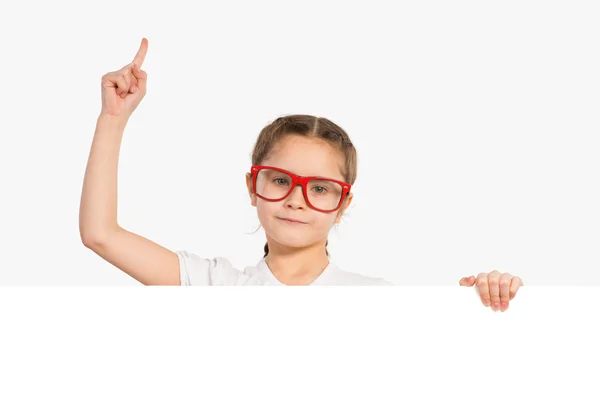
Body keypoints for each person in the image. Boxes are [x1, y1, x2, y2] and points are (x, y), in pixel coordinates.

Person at [79, 38, 524, 311]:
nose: (296, 199)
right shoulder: (214, 287)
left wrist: (494, 297)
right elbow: (100, 234)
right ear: (253, 186)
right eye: (279, 180)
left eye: (320, 188)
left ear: (343, 203)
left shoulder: (376, 301)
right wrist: (113, 119)